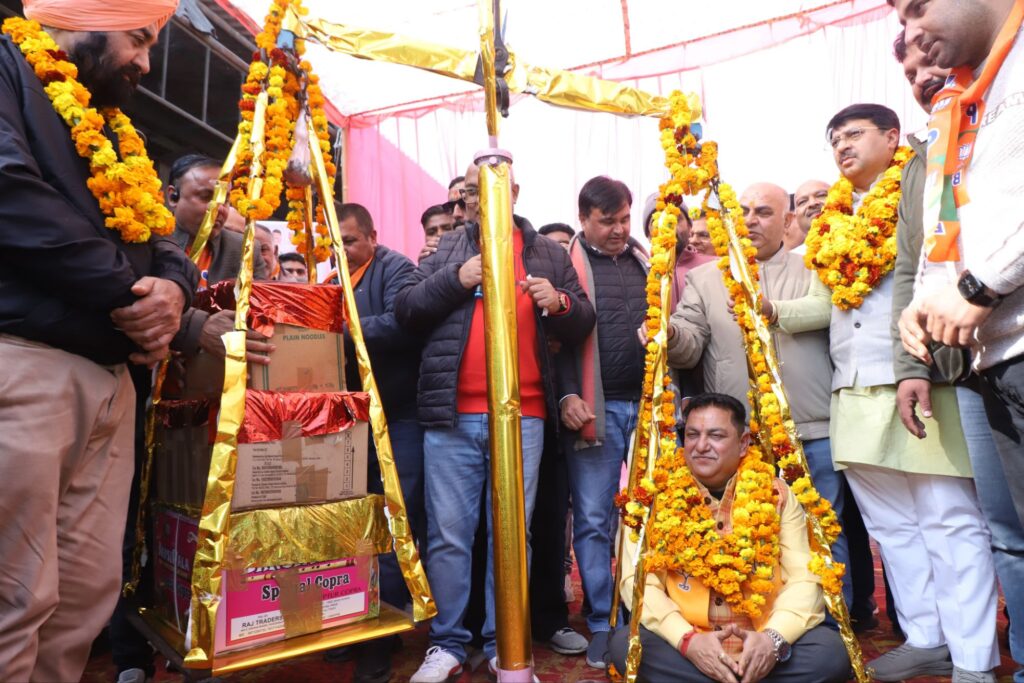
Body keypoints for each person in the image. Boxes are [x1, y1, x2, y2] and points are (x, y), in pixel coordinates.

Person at [0, 2, 199, 681]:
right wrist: (129, 295)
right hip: (27, 364)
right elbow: (10, 194)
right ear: (81, 15)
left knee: (82, 602)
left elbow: (164, 238)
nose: (145, 62)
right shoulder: (7, 67)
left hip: (114, 382)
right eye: (138, 39)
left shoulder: (116, 128)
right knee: (15, 598)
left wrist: (174, 293)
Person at [770, 103, 999, 682]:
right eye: (834, 139)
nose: (842, 146)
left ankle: (973, 658)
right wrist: (769, 310)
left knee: (948, 519)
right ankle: (925, 638)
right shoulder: (831, 221)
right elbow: (825, 307)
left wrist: (915, 365)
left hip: (919, 377)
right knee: (892, 528)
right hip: (852, 390)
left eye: (854, 134)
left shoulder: (922, 191)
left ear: (893, 137)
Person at [397, 153, 595, 682]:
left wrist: (559, 302)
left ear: (514, 192)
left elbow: (583, 318)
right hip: (452, 415)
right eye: (469, 191)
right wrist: (456, 279)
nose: (478, 197)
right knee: (448, 536)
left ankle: (505, 648)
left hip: (525, 416)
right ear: (462, 201)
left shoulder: (546, 251)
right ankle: (447, 644)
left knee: (513, 536)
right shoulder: (447, 249)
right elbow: (407, 311)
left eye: (489, 187)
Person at [891, 28, 1024, 682]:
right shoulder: (938, 144)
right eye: (910, 68)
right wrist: (914, 345)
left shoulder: (1006, 97)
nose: (924, 72)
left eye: (930, 53)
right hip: (973, 363)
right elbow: (926, 258)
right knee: (1007, 534)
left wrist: (980, 288)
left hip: (1012, 336)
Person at [666, 182, 851, 613]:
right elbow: (688, 346)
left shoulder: (811, 268)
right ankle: (763, 622)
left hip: (810, 427)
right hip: (741, 437)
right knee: (752, 532)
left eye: (763, 212)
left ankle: (832, 626)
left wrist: (770, 311)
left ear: (787, 221)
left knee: (823, 529)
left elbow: (827, 312)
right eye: (743, 211)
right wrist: (669, 335)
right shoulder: (705, 278)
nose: (750, 220)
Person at [607, 393, 850, 683]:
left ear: (744, 443)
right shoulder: (652, 499)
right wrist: (688, 641)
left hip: (759, 638)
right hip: (690, 642)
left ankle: (734, 673)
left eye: (716, 435)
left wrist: (772, 640)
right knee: (626, 645)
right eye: (692, 435)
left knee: (830, 652)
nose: (701, 446)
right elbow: (638, 584)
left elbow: (805, 577)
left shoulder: (776, 495)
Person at [329, 202, 427, 683]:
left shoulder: (397, 270)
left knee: (392, 520)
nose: (342, 250)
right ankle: (357, 621)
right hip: (351, 421)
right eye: (336, 242)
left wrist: (339, 333)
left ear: (372, 236)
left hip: (399, 416)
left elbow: (400, 325)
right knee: (354, 523)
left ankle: (381, 636)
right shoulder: (333, 278)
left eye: (349, 240)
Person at [562, 176, 650, 669]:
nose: (619, 230)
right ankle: (601, 621)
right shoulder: (566, 267)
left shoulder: (645, 262)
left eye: (625, 219)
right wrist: (567, 395)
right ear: (583, 219)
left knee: (649, 516)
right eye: (607, 221)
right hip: (596, 409)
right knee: (595, 519)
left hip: (649, 408)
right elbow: (552, 344)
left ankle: (646, 612)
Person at [642, 192, 714, 309]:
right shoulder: (641, 273)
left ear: (690, 226)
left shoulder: (712, 267)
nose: (669, 227)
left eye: (676, 218)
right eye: (657, 221)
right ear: (648, 235)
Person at [785, 180, 829, 253]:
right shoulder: (793, 258)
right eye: (802, 202)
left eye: (821, 195)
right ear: (795, 216)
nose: (812, 203)